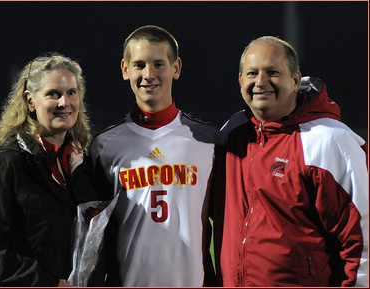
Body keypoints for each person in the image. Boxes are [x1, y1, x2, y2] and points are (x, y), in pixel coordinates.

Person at [213, 36, 368, 287]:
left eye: (272, 72)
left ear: (296, 80)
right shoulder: (232, 135)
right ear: (240, 80)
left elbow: (362, 241)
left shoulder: (329, 141)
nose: (261, 82)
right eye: (252, 73)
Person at [83, 25, 220, 287]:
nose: (148, 74)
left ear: (176, 68)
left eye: (158, 64)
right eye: (139, 65)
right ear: (125, 69)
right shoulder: (104, 145)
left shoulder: (208, 140)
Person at [0, 53, 93, 286]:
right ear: (30, 101)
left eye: (71, 93)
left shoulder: (81, 165)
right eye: (53, 94)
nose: (64, 102)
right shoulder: (5, 165)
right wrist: (47, 284)